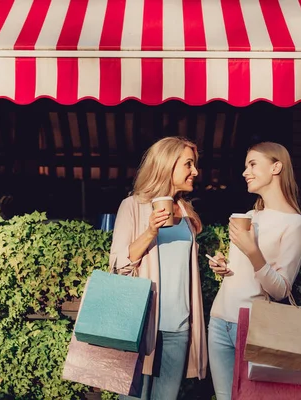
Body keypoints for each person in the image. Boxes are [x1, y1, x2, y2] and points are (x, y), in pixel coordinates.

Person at [207, 142, 301, 400]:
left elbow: (280, 290)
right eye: (245, 166)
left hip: (255, 324)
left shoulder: (296, 225)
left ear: (276, 167)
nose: (245, 172)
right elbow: (243, 273)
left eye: (252, 164)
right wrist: (224, 266)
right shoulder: (251, 215)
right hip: (219, 320)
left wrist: (253, 253)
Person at [109, 136, 208, 400]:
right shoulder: (133, 206)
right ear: (167, 165)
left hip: (179, 327)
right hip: (141, 326)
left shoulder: (186, 212)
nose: (195, 171)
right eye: (188, 164)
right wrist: (150, 230)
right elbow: (120, 266)